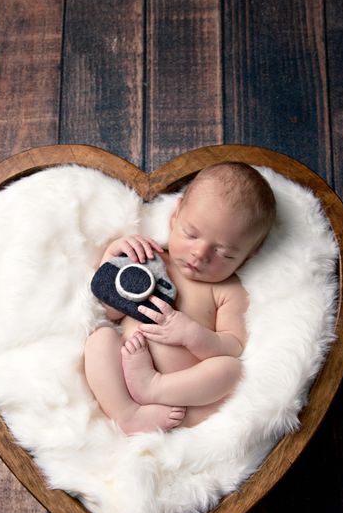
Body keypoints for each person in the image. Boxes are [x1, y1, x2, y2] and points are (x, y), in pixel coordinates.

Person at [84, 162, 276, 435]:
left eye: (225, 253)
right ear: (175, 215)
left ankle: (153, 386)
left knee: (231, 369)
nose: (200, 254)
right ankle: (127, 413)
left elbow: (233, 346)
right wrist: (112, 259)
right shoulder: (149, 257)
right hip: (124, 375)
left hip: (181, 397)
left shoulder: (228, 290)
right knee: (99, 340)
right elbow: (109, 311)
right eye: (191, 234)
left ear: (250, 253)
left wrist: (191, 334)